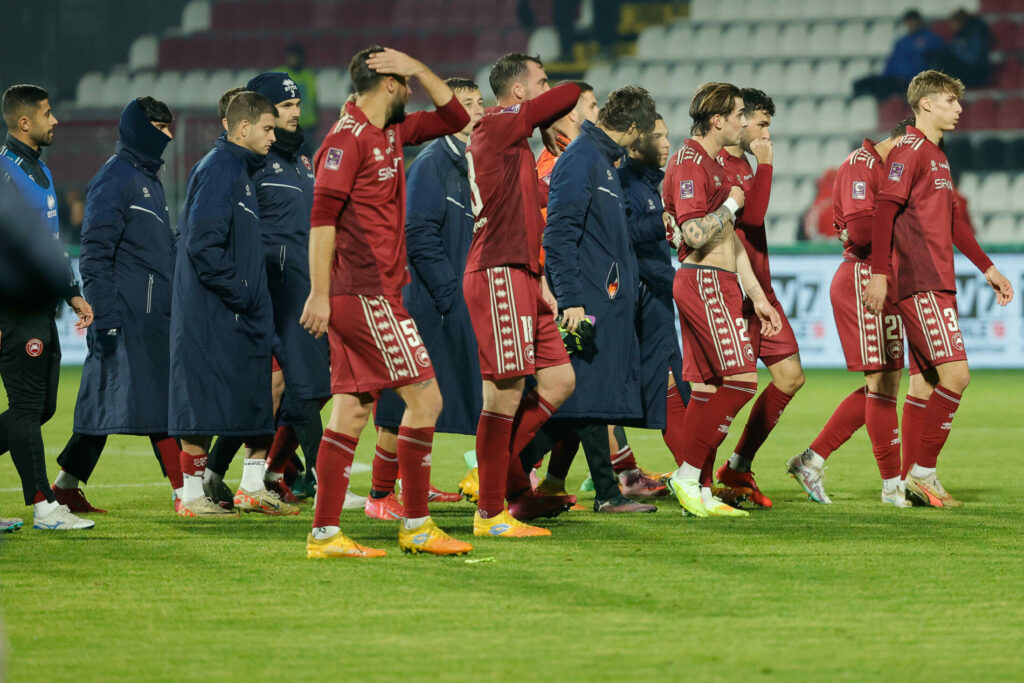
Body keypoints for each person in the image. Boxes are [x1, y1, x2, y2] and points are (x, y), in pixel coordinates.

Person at [300, 46, 473, 558]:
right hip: (365, 294)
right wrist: (319, 293)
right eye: (408, 82)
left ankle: (325, 534)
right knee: (427, 401)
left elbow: (455, 116)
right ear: (390, 85)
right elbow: (322, 221)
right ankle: (417, 525)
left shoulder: (391, 131)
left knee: (351, 413)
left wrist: (420, 66)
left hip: (371, 292)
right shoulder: (345, 141)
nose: (413, 90)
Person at [863, 70, 1013, 507]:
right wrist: (879, 272)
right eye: (950, 101)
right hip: (921, 280)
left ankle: (911, 479)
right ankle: (922, 474)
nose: (960, 108)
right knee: (957, 376)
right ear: (926, 103)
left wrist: (987, 267)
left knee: (927, 384)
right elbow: (883, 211)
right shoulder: (910, 150)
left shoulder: (936, 155)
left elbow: (950, 221)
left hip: (937, 279)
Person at [462, 53, 580, 536]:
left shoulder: (514, 143)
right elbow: (572, 91)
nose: (548, 87)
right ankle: (492, 510)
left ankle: (505, 480)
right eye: (539, 81)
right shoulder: (498, 123)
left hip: (524, 276)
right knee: (504, 394)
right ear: (518, 92)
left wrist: (543, 283)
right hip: (497, 272)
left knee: (558, 381)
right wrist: (550, 114)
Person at [51, 98, 184, 514]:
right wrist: (105, 317)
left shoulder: (147, 179)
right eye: (161, 126)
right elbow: (93, 254)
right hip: (126, 316)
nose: (169, 135)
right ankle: (187, 492)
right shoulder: (115, 179)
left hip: (147, 315)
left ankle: (66, 487)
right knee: (157, 404)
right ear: (140, 128)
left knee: (103, 403)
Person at [170, 91, 298, 517]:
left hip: (240, 310)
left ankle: (250, 487)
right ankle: (190, 495)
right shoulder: (221, 169)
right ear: (243, 127)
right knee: (202, 400)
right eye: (266, 128)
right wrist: (241, 292)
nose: (272, 135)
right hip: (217, 310)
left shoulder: (239, 169)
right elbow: (203, 245)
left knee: (258, 393)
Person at [368, 77, 487, 520]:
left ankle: (410, 481)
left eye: (480, 103)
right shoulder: (433, 161)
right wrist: (450, 295)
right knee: (405, 397)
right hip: (424, 301)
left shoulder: (469, 163)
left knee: (431, 398)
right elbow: (418, 234)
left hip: (450, 297)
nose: (477, 110)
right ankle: (381, 495)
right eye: (467, 103)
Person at [662, 82, 781, 519]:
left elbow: (731, 241)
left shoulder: (710, 162)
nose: (743, 122)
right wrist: (732, 203)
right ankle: (688, 474)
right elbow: (695, 234)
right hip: (703, 280)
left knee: (710, 387)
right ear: (718, 120)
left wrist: (757, 296)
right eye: (737, 115)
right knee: (742, 381)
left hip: (723, 280)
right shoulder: (691, 162)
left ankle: (700, 487)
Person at [542, 86, 659, 514]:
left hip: (605, 301)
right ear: (631, 128)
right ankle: (504, 473)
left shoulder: (602, 160)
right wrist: (571, 298)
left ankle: (597, 491)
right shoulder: (582, 158)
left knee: (585, 403)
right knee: (581, 400)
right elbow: (558, 233)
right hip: (587, 302)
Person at [0, 84, 95, 530]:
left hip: (40, 307)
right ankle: (43, 505)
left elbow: (47, 246)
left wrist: (71, 292)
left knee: (42, 409)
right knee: (25, 407)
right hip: (11, 309)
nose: (55, 120)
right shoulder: (4, 171)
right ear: (24, 122)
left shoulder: (40, 170)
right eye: (47, 113)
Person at [713, 88, 804, 508]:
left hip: (760, 291)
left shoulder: (742, 162)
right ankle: (695, 475)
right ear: (741, 120)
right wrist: (766, 163)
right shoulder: (724, 164)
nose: (767, 134)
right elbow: (754, 215)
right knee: (726, 387)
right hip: (733, 292)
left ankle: (737, 465)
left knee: (789, 377)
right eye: (762, 124)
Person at [617, 113, 689, 494]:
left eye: (667, 136)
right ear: (634, 144)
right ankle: (694, 477)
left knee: (678, 383)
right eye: (657, 137)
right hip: (642, 298)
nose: (666, 143)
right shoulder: (623, 183)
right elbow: (621, 235)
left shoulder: (655, 184)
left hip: (659, 295)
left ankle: (691, 473)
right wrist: (661, 223)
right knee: (668, 383)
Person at [853, 10, 947, 101]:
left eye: (912, 22)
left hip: (909, 80)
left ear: (919, 22)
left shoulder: (929, 39)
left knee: (882, 87)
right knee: (860, 84)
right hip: (892, 78)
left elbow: (938, 55)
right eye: (908, 23)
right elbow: (891, 61)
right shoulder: (901, 42)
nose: (910, 25)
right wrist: (886, 75)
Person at [929, 9, 991, 87]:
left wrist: (955, 54)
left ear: (960, 22)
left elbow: (974, 59)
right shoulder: (959, 35)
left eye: (953, 23)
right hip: (965, 70)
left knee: (944, 55)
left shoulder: (974, 35)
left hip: (975, 74)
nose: (951, 26)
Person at [279, 43, 319, 155]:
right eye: (290, 56)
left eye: (295, 56)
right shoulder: (280, 75)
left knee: (305, 160)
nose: (293, 59)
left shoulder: (309, 75)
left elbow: (314, 100)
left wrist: (316, 122)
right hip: (287, 127)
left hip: (307, 128)